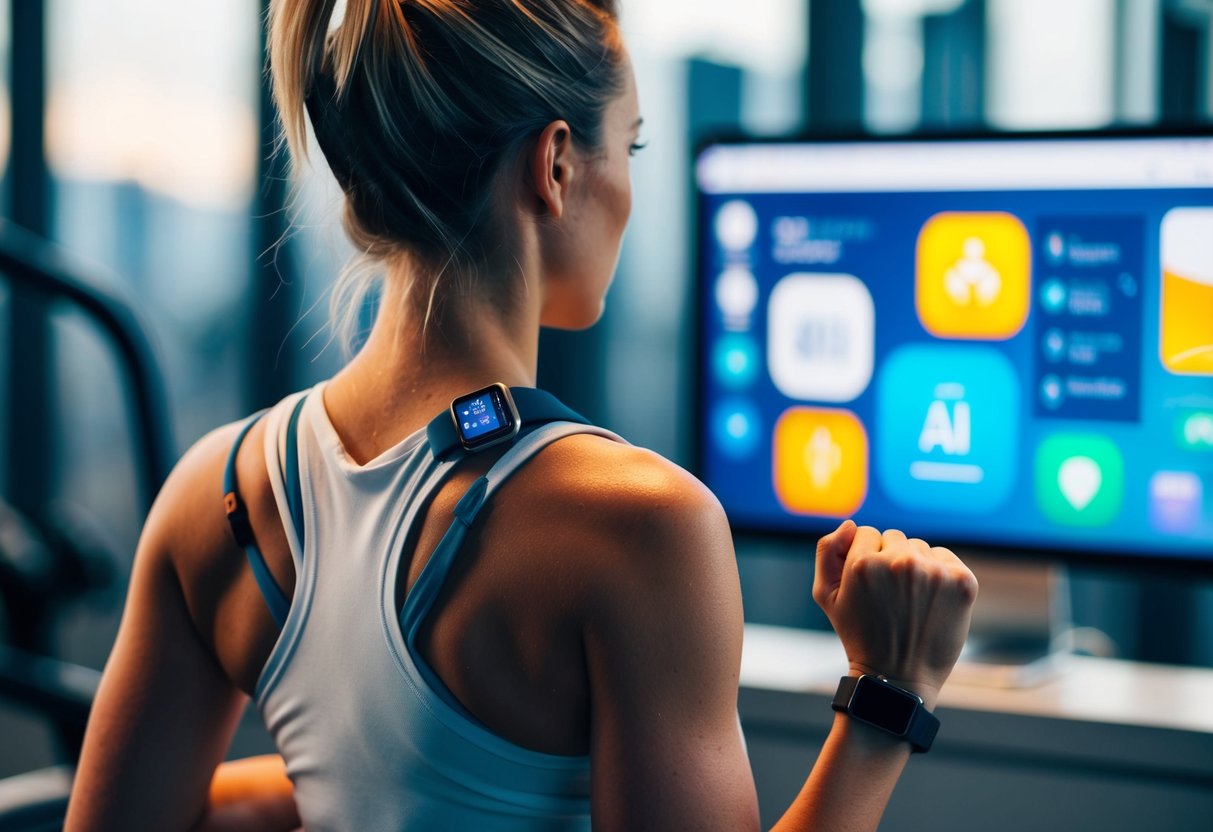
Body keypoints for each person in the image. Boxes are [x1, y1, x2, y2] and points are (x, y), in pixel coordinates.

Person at [64, 1, 978, 829]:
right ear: (554, 165)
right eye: (633, 145)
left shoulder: (216, 492)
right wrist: (887, 693)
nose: (629, 187)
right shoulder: (640, 527)